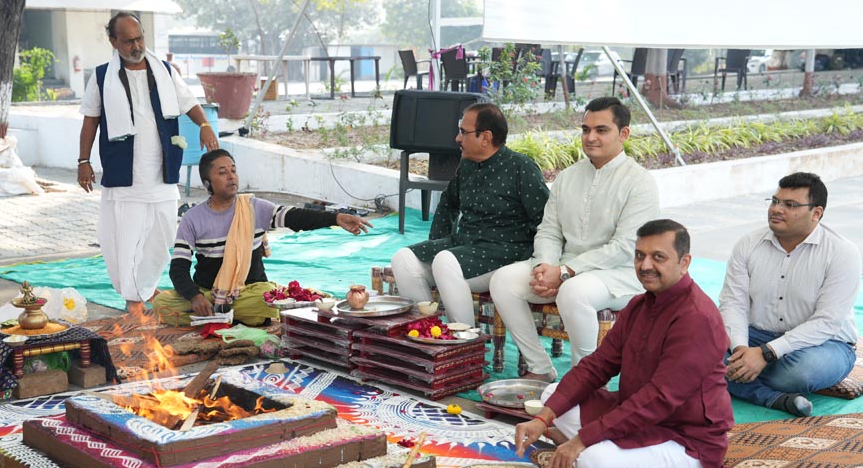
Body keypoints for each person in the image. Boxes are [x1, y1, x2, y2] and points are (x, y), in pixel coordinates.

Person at [515, 219, 736, 468]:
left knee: (592, 463)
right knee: (551, 397)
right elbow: (597, 366)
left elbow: (659, 398)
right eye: (640, 255)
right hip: (638, 419)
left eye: (658, 257)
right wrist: (543, 420)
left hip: (687, 441)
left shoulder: (697, 318)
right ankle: (628, 463)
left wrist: (583, 440)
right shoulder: (639, 305)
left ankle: (631, 465)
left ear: (684, 262)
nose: (645, 265)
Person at [489, 96, 659, 381]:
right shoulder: (568, 177)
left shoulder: (639, 182)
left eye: (601, 130)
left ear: (624, 133)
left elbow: (626, 246)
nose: (590, 137)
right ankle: (540, 368)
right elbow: (550, 230)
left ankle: (586, 382)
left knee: (574, 290)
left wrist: (565, 272)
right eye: (585, 129)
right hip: (565, 267)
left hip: (618, 274)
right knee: (504, 280)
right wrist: (545, 266)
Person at [77, 11, 219, 317]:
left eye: (139, 37)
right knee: (125, 238)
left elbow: (188, 102)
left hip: (162, 172)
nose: (136, 45)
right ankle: (133, 297)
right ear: (113, 41)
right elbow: (90, 119)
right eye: (128, 41)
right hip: (125, 175)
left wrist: (205, 125)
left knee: (162, 234)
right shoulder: (102, 77)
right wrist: (83, 160)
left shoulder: (164, 71)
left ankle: (147, 285)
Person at [152, 149, 372, 326]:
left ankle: (222, 315)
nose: (231, 176)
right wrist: (195, 297)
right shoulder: (193, 218)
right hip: (209, 292)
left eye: (233, 170)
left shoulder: (254, 208)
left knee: (266, 299)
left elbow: (295, 217)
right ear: (207, 183)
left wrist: (335, 218)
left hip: (250, 291)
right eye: (222, 172)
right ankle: (228, 314)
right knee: (161, 304)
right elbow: (178, 268)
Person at [390, 103, 549, 327]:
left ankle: (464, 343)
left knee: (446, 261)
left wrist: (531, 261)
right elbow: (448, 204)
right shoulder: (466, 166)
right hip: (465, 247)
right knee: (404, 259)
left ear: (486, 137)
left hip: (505, 252)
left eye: (463, 132)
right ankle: (429, 333)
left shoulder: (520, 168)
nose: (457, 138)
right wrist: (437, 242)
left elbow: (546, 221)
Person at [719, 172, 860, 417]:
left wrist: (766, 353)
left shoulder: (842, 252)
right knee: (692, 345)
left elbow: (827, 322)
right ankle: (773, 398)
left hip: (824, 345)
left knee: (801, 373)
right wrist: (741, 349)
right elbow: (734, 303)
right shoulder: (748, 244)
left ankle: (728, 376)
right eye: (774, 201)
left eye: (790, 205)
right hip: (755, 336)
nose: (776, 209)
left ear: (816, 213)